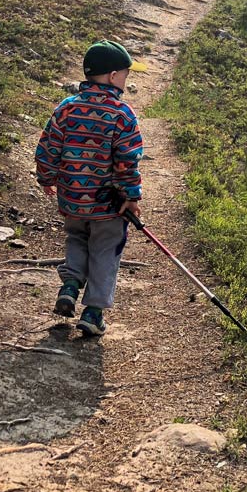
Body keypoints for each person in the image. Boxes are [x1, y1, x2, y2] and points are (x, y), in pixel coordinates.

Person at [35, 39, 146, 336]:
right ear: (112, 76)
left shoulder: (66, 108)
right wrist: (131, 197)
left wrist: (47, 178)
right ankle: (93, 312)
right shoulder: (122, 114)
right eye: (125, 74)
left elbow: (47, 147)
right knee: (106, 250)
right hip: (107, 204)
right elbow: (127, 161)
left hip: (72, 198)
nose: (125, 80)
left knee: (76, 238)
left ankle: (70, 285)